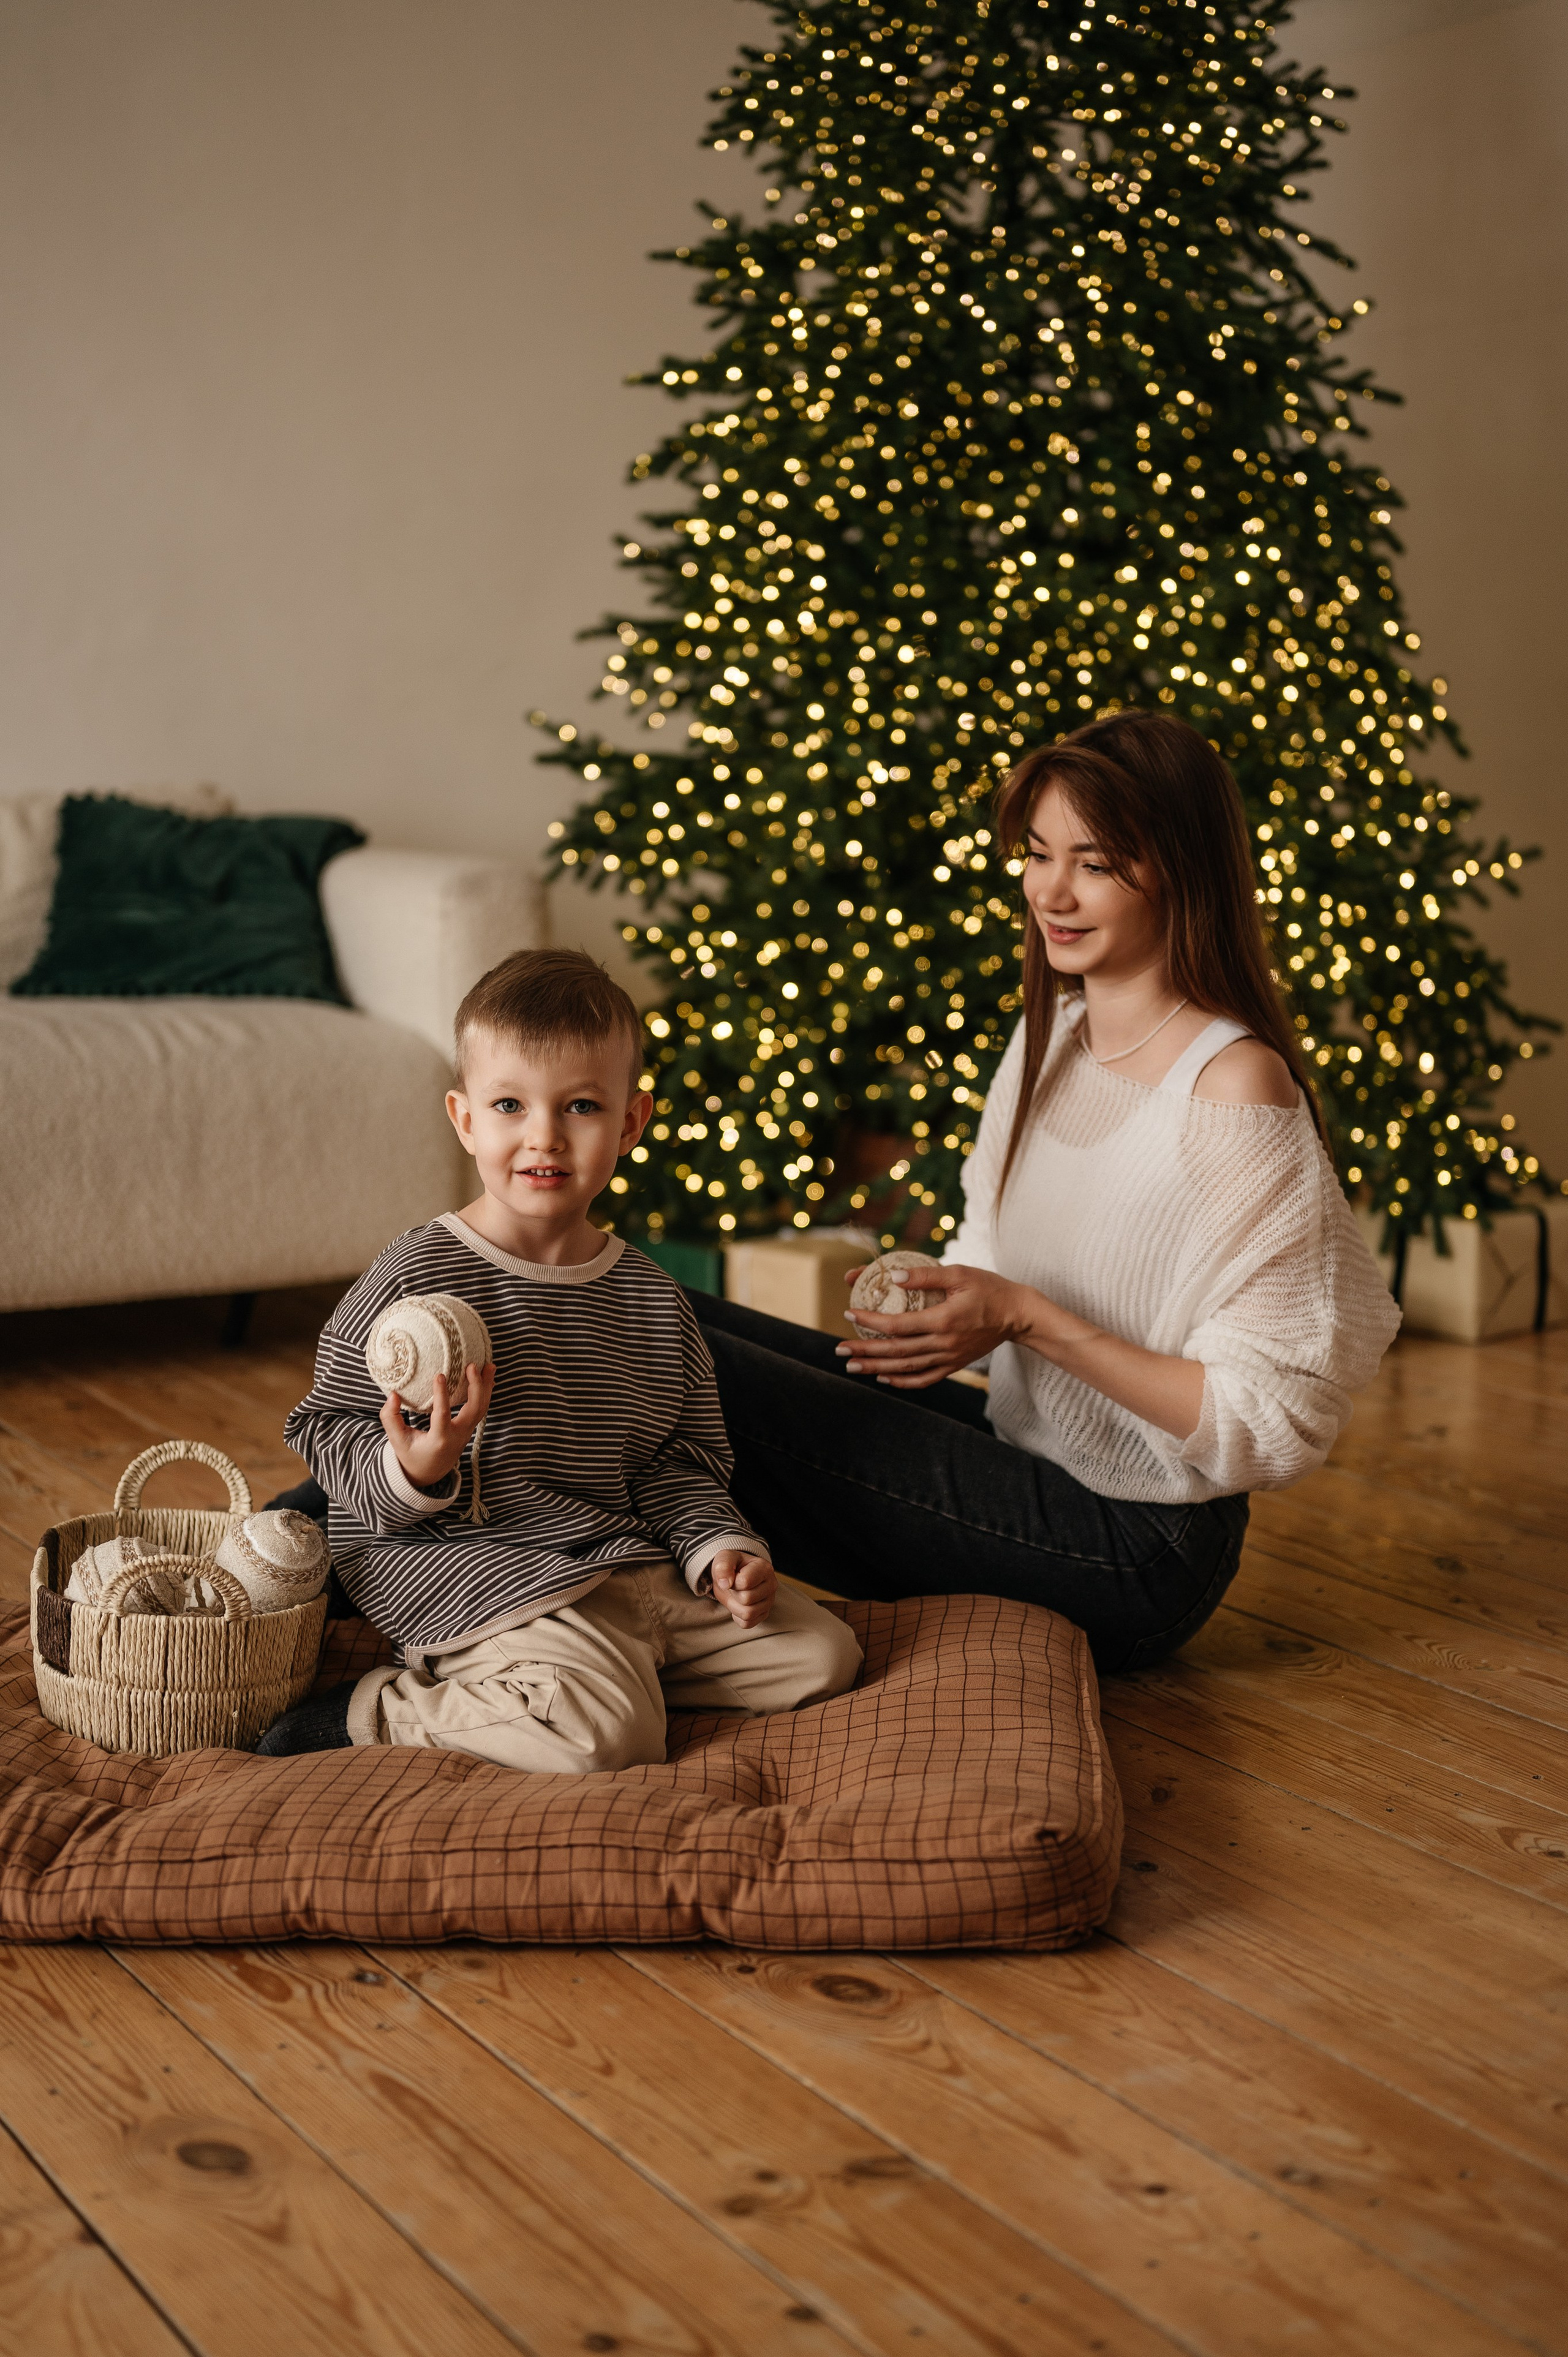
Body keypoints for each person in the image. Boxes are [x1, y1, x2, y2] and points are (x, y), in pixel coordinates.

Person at [685, 711, 1401, 1674]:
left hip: (1140, 1543)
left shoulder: (1235, 1089)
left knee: (688, 1375)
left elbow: (1271, 1427)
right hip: (1022, 1447)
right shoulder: (1051, 1036)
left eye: (1093, 864)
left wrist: (1026, 1318)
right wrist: (939, 1311)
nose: (1050, 892)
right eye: (1037, 853)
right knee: (656, 1316)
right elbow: (989, 1254)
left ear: (1181, 871)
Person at [256, 949, 861, 1764]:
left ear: (631, 1123)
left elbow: (676, 1464)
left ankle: (584, 1679)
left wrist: (721, 1550)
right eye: (509, 1105)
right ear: (466, 1119)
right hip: (471, 1567)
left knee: (821, 1656)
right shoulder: (417, 1272)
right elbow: (326, 1424)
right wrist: (415, 1469)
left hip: (615, 1560)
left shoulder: (651, 1298)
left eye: (580, 1106)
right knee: (607, 1736)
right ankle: (377, 1712)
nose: (544, 1136)